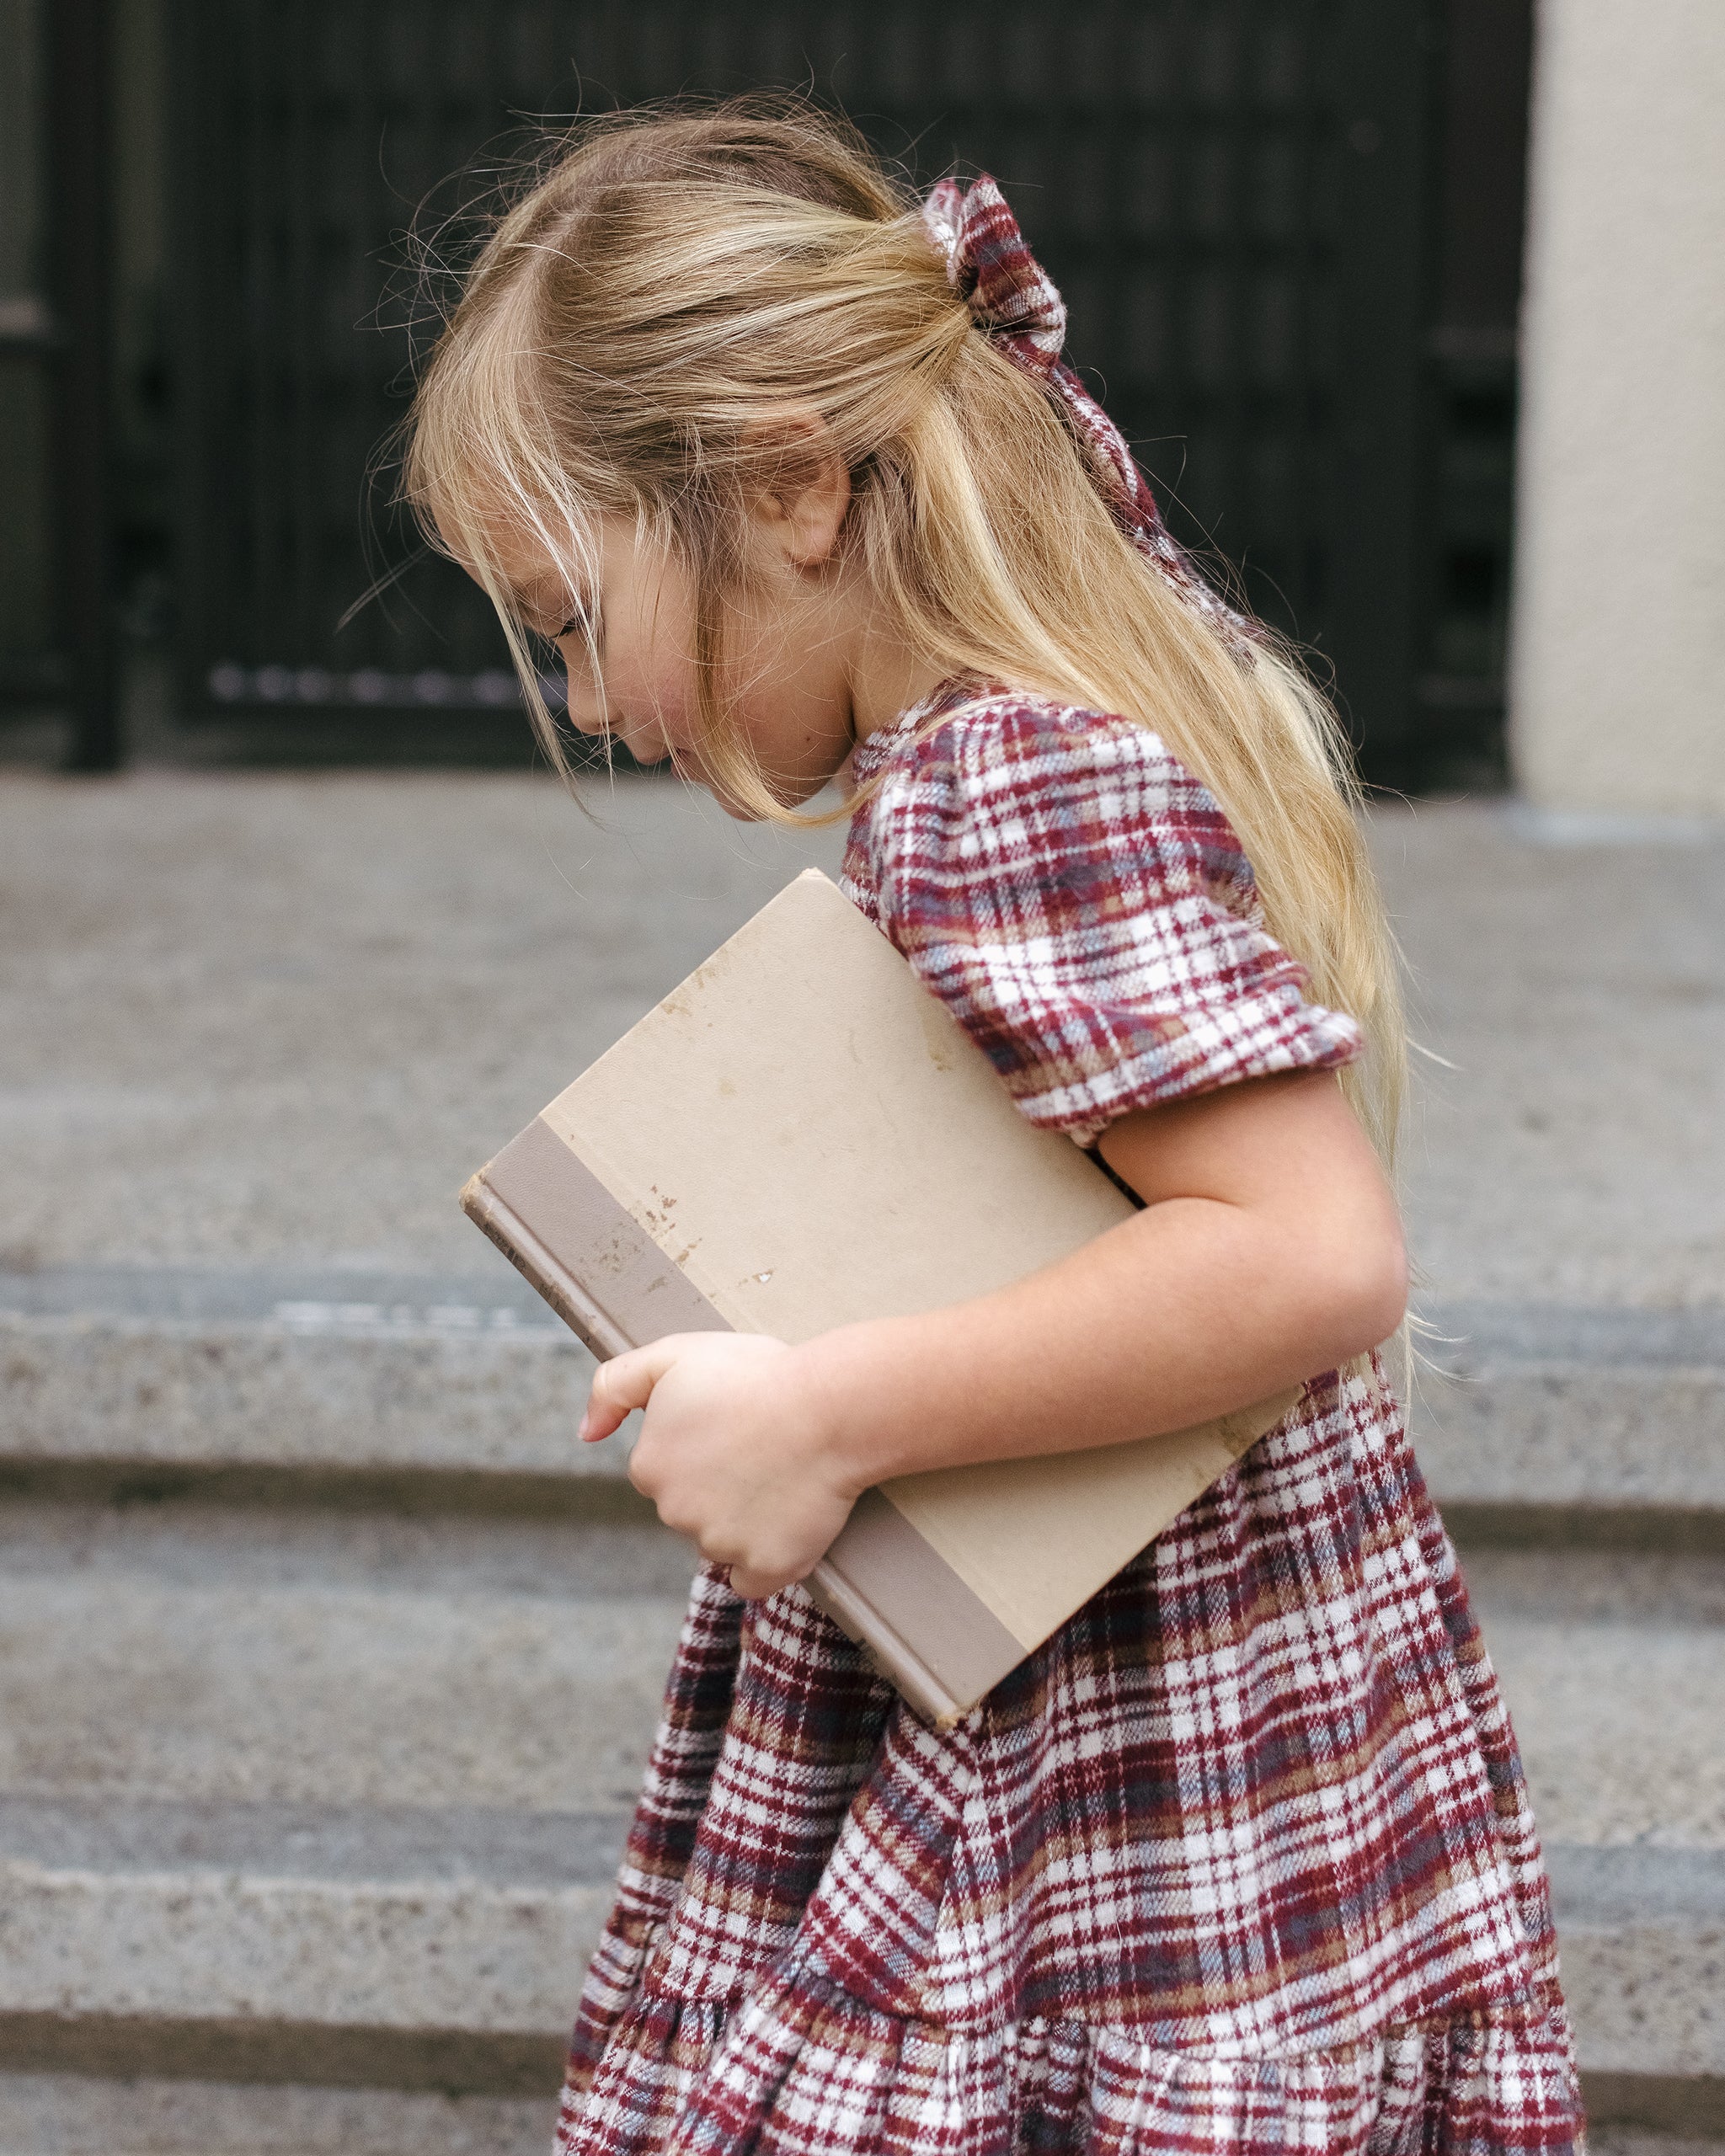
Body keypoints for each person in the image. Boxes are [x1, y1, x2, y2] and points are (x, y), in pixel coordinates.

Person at [403, 102, 1580, 2156]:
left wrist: (823, 1410)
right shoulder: (1069, 695)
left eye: (575, 618)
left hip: (1105, 1711)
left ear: (781, 484)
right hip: (1174, 1654)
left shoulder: (999, 775)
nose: (587, 701)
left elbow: (1305, 1252)